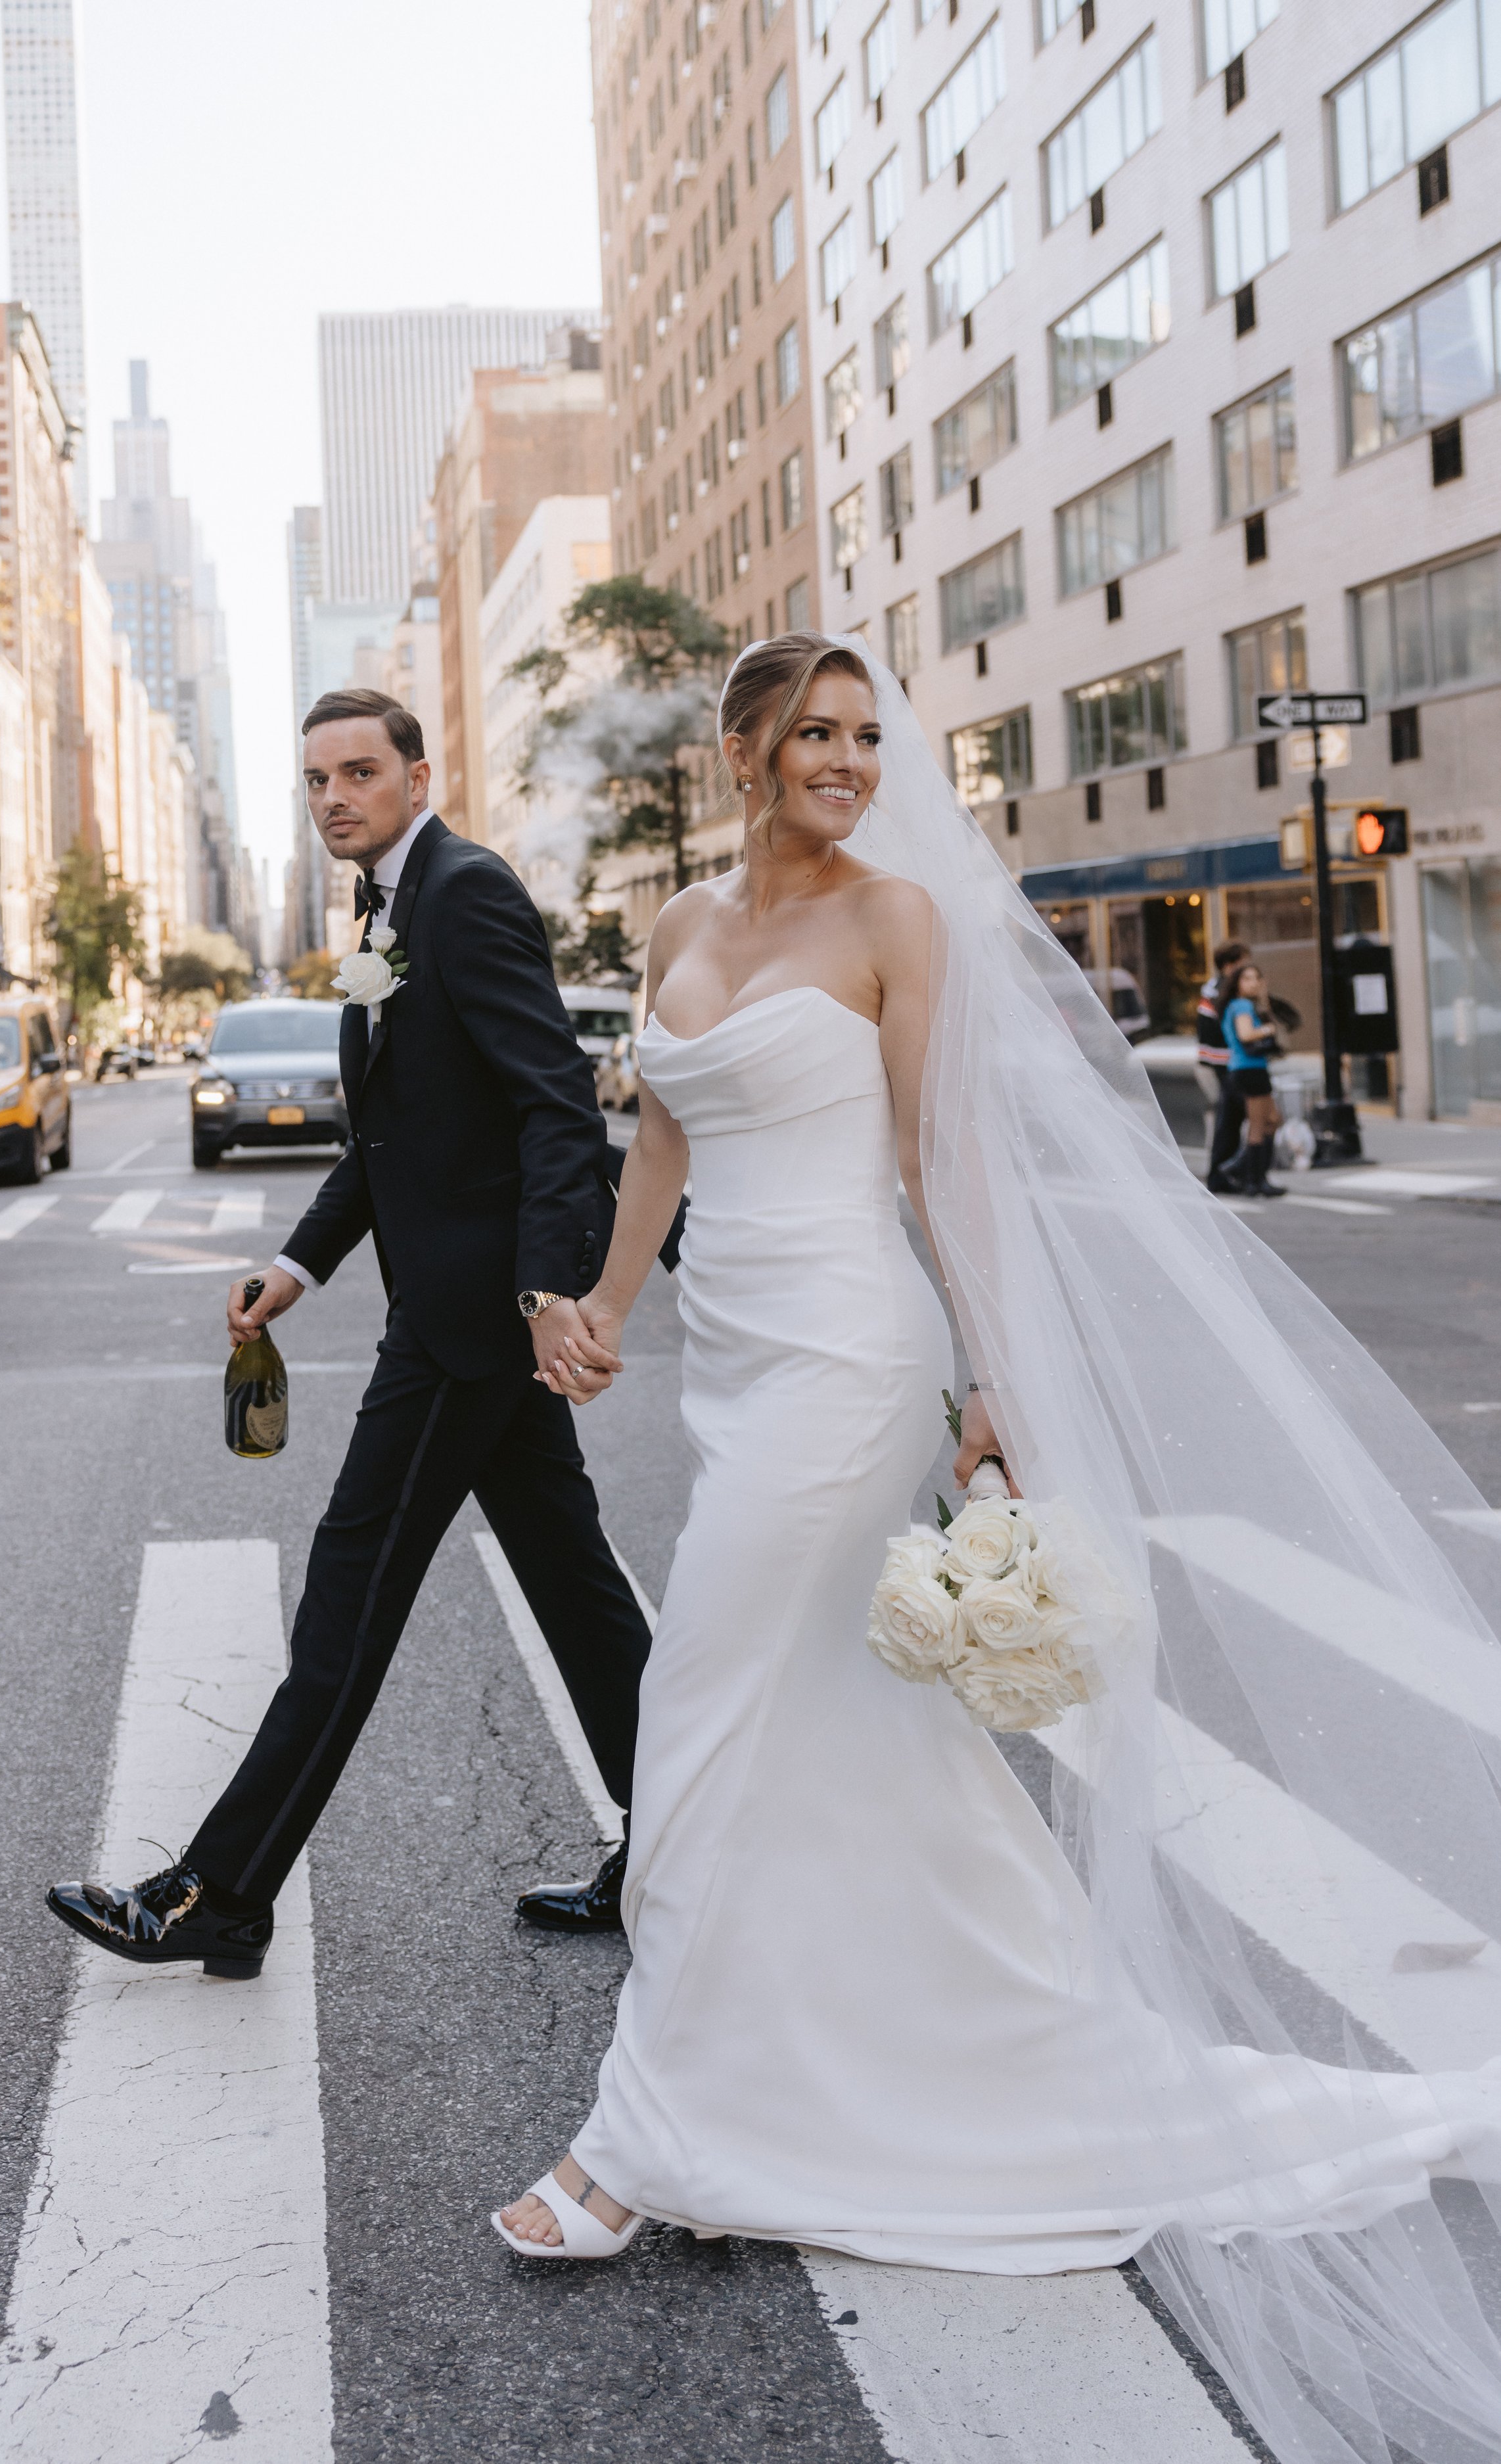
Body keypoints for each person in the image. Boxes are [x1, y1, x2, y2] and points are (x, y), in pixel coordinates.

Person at [494, 634, 1501, 2464]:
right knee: (839, 1739)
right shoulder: (674, 935)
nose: (851, 764)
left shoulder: (897, 921)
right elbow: (654, 1136)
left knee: (699, 1712)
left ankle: (641, 2137)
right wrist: (605, 1307)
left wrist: (994, 1380)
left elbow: (941, 1160)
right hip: (732, 1363)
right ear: (740, 750)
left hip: (854, 1361)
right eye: (817, 735)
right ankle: (933, 2045)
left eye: (870, 740)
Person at [48, 686, 679, 1971]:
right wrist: (297, 1263)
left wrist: (538, 1291)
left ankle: (216, 1888)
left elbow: (556, 1103)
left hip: (464, 1328)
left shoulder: (463, 891)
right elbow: (396, 1135)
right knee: (579, 1592)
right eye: (317, 778)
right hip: (463, 1315)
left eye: (358, 772)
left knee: (343, 1603)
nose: (335, 795)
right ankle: (680, 1851)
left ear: (415, 772)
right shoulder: (387, 906)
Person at [1216, 956, 1284, 1198]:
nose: (1253, 983)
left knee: (1273, 1120)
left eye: (1257, 978)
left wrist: (1264, 996)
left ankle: (1243, 1170)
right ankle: (1254, 1180)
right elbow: (1246, 1035)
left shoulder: (1239, 1005)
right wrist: (1267, 1030)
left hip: (1249, 1069)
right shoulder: (1242, 1006)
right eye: (1247, 978)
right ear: (1237, 983)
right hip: (1249, 1069)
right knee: (1258, 1127)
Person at [1195, 939, 1249, 1192]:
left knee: (1232, 1118)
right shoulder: (1221, 992)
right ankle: (1224, 1171)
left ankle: (1225, 1171)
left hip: (1218, 1059)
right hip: (1224, 1060)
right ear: (1230, 965)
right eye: (1242, 963)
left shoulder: (1214, 989)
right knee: (1230, 1118)